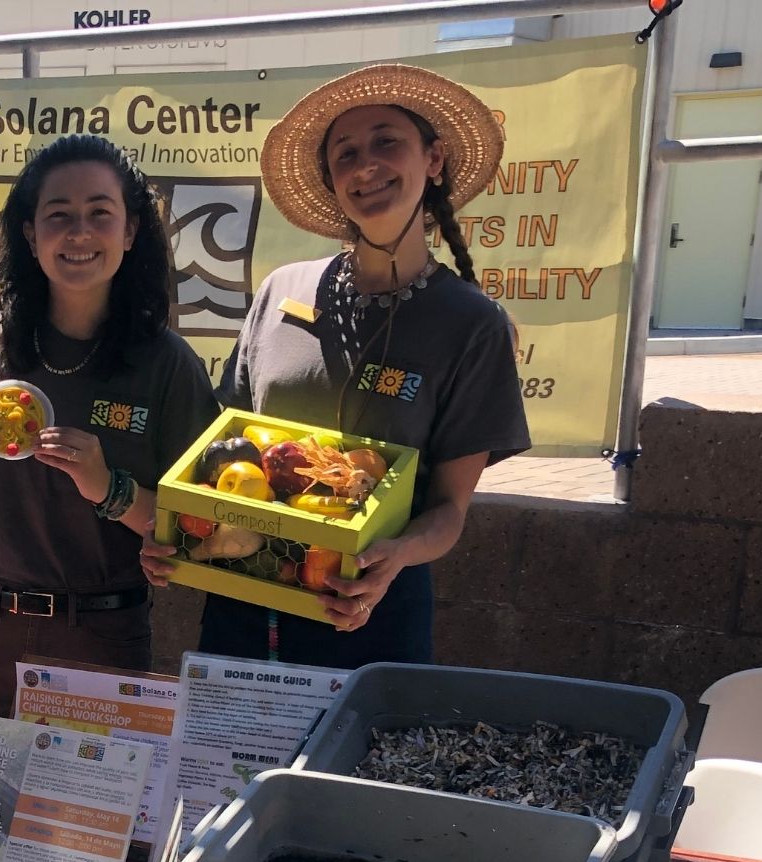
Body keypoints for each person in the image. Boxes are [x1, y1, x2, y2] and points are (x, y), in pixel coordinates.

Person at [146, 64, 529, 668]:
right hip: (246, 601)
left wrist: (394, 557)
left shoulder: (471, 323)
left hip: (369, 611)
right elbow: (229, 451)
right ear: (331, 180)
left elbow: (449, 511)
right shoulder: (280, 290)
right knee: (229, 764)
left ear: (433, 159)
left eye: (386, 142)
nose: (366, 164)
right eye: (345, 153)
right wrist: (182, 532)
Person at [0, 134, 220, 723]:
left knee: (78, 817)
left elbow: (195, 532)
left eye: (100, 213)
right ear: (31, 235)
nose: (79, 233)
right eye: (59, 215)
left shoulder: (166, 365)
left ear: (130, 232)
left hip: (98, 635)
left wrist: (110, 488)